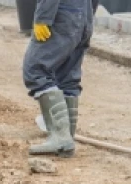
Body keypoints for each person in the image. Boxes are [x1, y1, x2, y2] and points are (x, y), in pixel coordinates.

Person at [22, 0, 98, 156]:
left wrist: (43, 18)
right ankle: (66, 139)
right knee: (67, 75)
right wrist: (86, 16)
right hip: (84, 15)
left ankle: (60, 138)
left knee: (35, 70)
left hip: (61, 15)